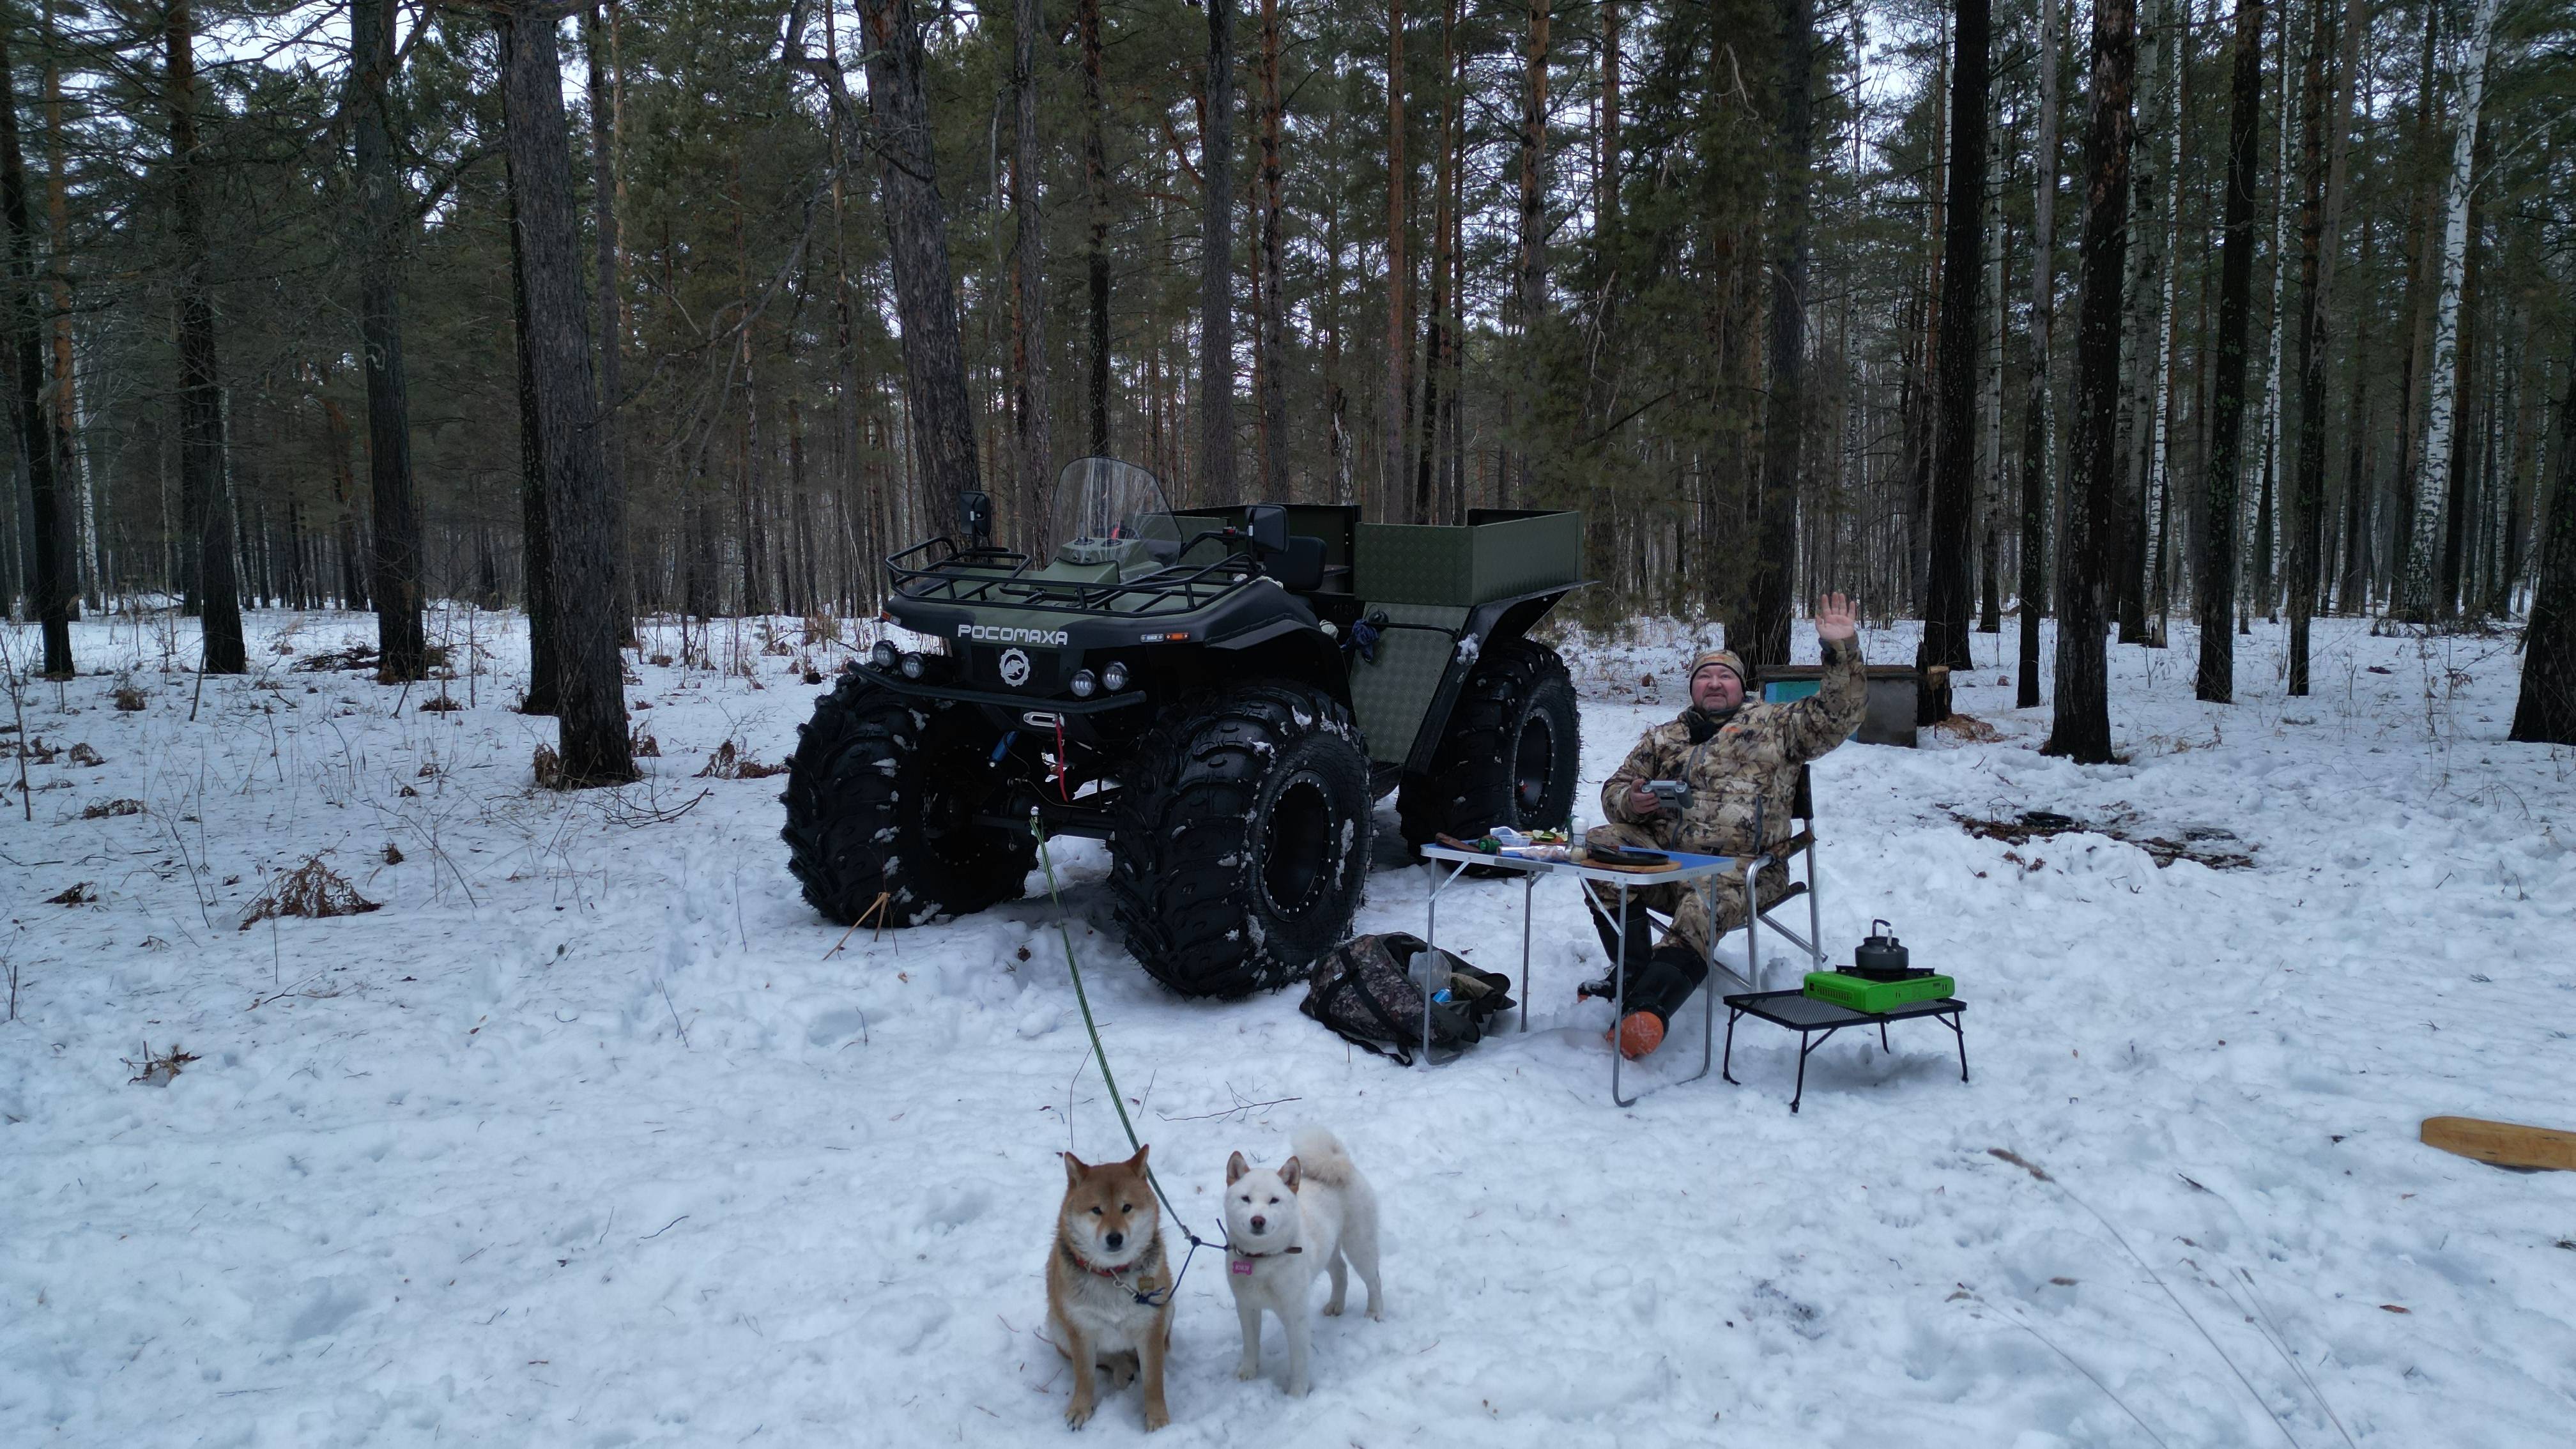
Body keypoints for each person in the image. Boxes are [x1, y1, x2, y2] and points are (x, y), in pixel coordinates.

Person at [1583, 593, 1869, 1059]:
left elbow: (1840, 716)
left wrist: (1842, 650)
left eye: (1725, 677)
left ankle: (1647, 1010)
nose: (1715, 684)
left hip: (1745, 870)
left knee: (1703, 902)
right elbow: (1613, 794)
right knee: (1598, 851)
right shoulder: (1663, 737)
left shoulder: (1778, 726)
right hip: (1668, 863)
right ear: (1693, 688)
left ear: (1741, 686)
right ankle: (1633, 975)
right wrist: (1633, 801)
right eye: (1705, 677)